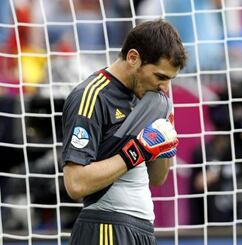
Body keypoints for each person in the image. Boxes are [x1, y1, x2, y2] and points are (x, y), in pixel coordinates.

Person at [61, 19, 187, 245]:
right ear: (133, 58)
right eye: (160, 77)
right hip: (106, 227)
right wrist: (136, 151)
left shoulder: (150, 99)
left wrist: (164, 146)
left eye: (170, 80)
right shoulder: (91, 96)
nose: (165, 88)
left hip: (142, 229)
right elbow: (75, 184)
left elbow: (158, 179)